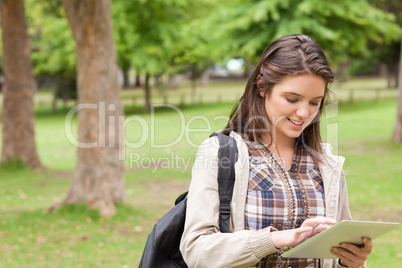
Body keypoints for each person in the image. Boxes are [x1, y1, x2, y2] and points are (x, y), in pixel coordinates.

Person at [179, 34, 373, 268]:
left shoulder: (327, 162)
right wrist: (275, 239)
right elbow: (196, 250)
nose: (304, 113)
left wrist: (350, 261)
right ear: (262, 87)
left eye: (315, 102)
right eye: (292, 99)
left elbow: (338, 251)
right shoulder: (220, 153)